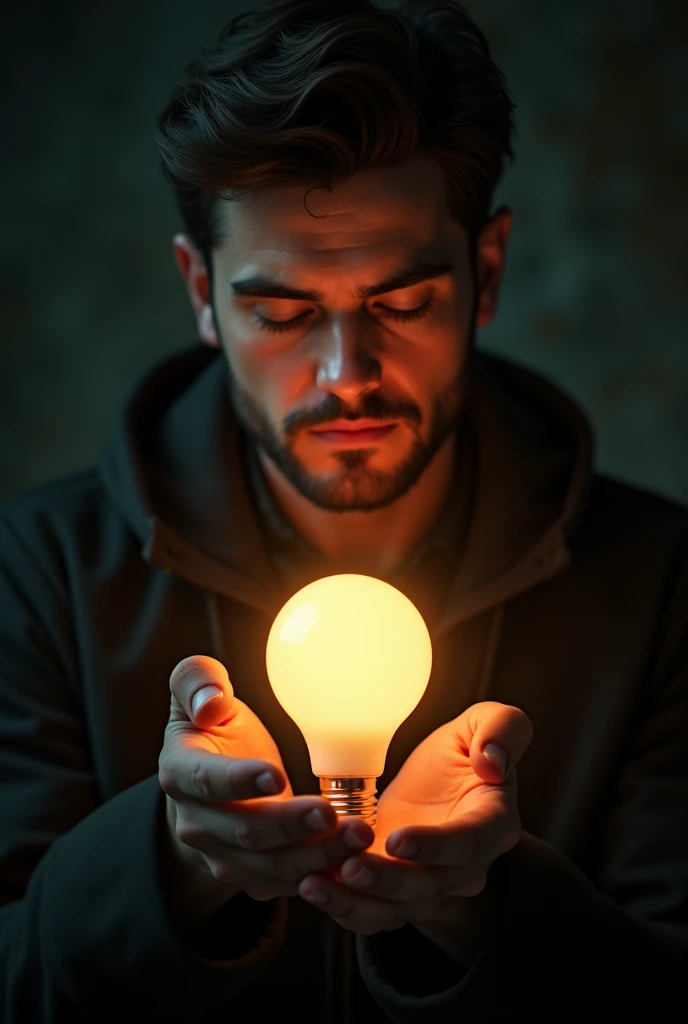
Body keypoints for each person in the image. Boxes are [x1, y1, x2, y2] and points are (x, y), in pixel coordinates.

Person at [1, 0, 686, 1020]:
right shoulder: (40, 573)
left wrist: (482, 908)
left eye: (401, 302)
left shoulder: (662, 584)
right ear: (200, 291)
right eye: (280, 312)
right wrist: (172, 858)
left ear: (484, 272)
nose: (345, 373)